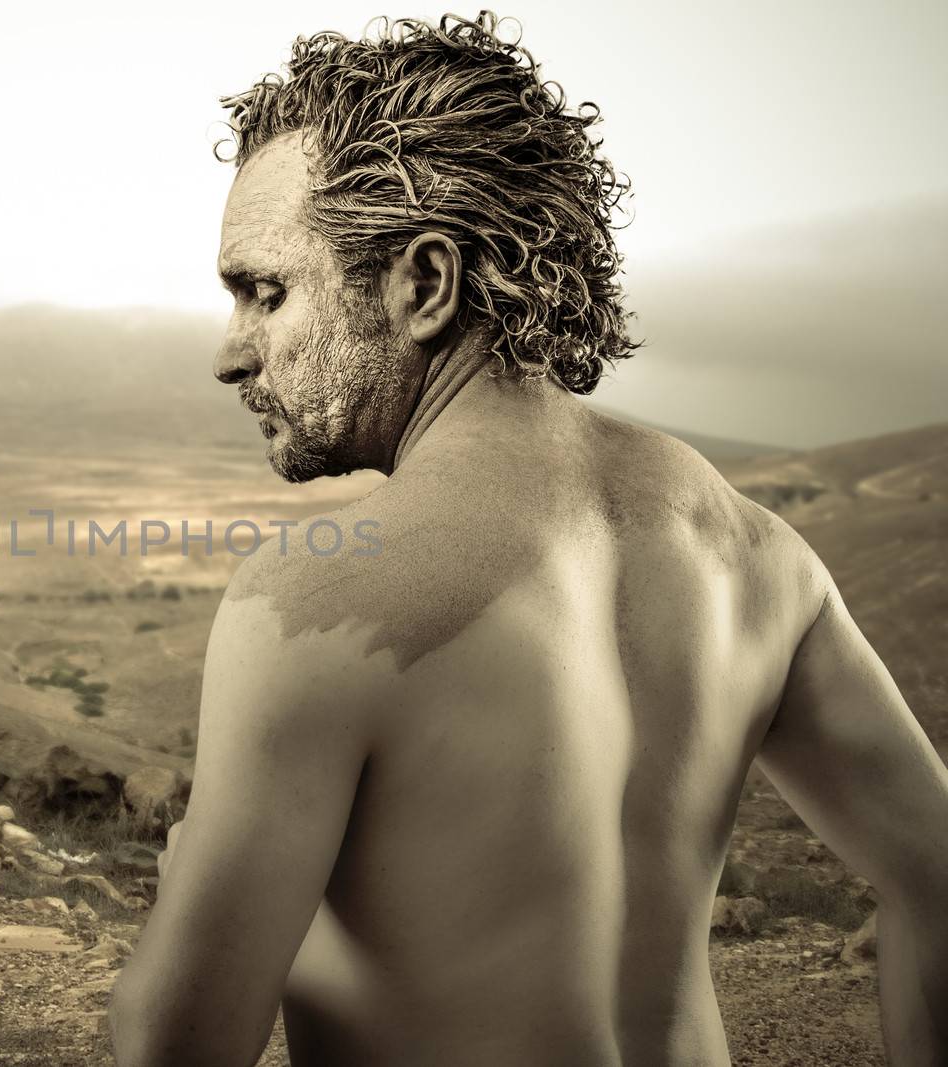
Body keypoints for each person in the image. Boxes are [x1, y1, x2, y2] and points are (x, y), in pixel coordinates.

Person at [108, 13, 948, 1066]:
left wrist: (256, 902)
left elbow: (172, 1042)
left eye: (264, 292)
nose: (231, 355)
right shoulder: (755, 551)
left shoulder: (318, 598)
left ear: (423, 284)